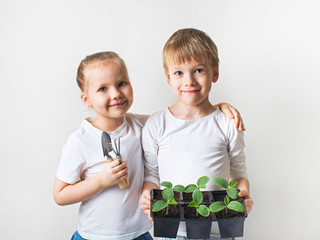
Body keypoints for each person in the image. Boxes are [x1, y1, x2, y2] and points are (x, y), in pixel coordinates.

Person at [53, 51, 244, 240]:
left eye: (122, 83)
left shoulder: (143, 125)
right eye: (103, 89)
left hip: (139, 234)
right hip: (94, 236)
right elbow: (60, 195)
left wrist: (218, 109)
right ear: (86, 99)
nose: (116, 94)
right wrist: (101, 181)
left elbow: (181, 120)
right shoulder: (80, 141)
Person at [140, 28, 253, 240]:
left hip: (217, 230)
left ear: (215, 73)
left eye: (199, 70)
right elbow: (152, 174)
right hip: (170, 231)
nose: (189, 80)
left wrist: (243, 195)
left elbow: (238, 173)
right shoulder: (156, 125)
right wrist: (147, 195)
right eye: (179, 73)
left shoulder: (228, 123)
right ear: (168, 78)